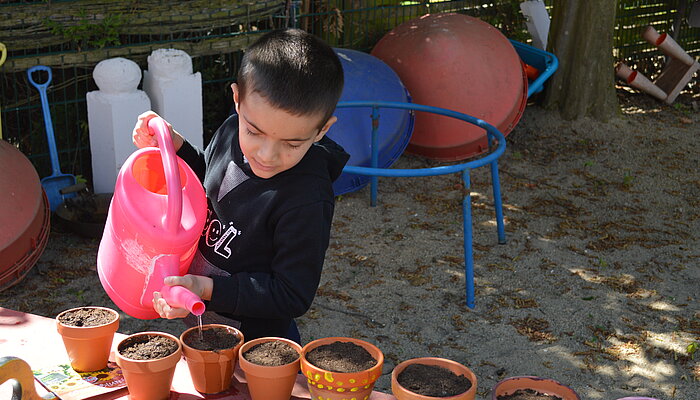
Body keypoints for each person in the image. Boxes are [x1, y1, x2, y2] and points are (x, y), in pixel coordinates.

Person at [132, 28, 349, 343]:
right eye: (255, 132)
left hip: (259, 344)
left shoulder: (307, 199)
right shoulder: (233, 129)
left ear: (321, 130)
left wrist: (208, 289)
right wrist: (176, 145)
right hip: (204, 316)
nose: (267, 155)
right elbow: (210, 180)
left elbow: (292, 294)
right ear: (237, 100)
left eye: (291, 143)